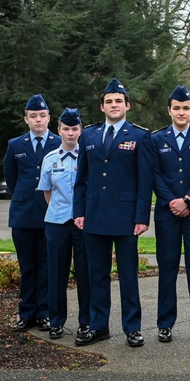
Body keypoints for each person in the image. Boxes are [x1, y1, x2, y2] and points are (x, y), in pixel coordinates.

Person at [73, 78, 153, 348]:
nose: (114, 105)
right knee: (97, 274)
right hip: (94, 214)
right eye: (109, 101)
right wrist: (79, 211)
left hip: (126, 217)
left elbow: (145, 181)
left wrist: (142, 216)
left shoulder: (140, 136)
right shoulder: (88, 136)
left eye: (118, 101)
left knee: (128, 274)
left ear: (127, 105)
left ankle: (132, 327)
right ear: (102, 107)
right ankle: (98, 327)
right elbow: (81, 178)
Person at [147, 86, 190, 343]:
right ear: (169, 110)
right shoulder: (156, 139)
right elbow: (154, 174)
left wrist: (187, 199)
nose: (181, 112)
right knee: (168, 268)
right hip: (167, 213)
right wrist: (172, 201)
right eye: (177, 108)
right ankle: (165, 323)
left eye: (185, 108)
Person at [3, 94, 60, 332]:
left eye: (42, 115)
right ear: (26, 119)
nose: (38, 120)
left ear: (49, 118)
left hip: (51, 214)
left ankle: (45, 312)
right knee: (27, 267)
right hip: (24, 214)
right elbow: (11, 178)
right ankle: (26, 313)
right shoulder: (15, 145)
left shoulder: (59, 143)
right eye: (33, 116)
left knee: (47, 267)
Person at [37, 107, 89, 342]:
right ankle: (56, 321)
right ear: (58, 130)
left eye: (75, 129)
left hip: (82, 223)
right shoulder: (49, 159)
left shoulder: (88, 156)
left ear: (81, 130)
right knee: (56, 273)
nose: (70, 133)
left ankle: (86, 322)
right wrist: (59, 212)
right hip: (57, 222)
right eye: (66, 129)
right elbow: (47, 192)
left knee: (84, 273)